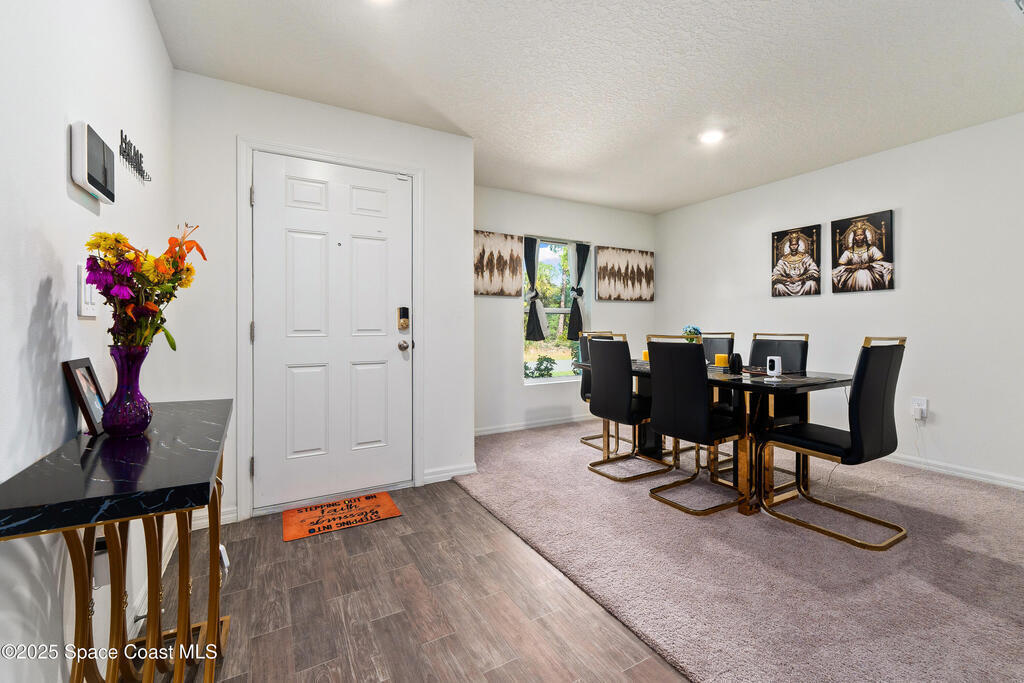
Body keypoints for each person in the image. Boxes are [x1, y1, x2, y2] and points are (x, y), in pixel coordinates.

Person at [832, 222, 893, 291]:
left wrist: (869, 265)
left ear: (865, 236)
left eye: (861, 235)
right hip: (852, 274)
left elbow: (880, 262)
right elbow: (841, 265)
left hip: (871, 273)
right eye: (857, 235)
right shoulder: (849, 251)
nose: (859, 237)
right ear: (854, 237)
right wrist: (851, 267)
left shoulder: (872, 249)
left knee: (863, 274)